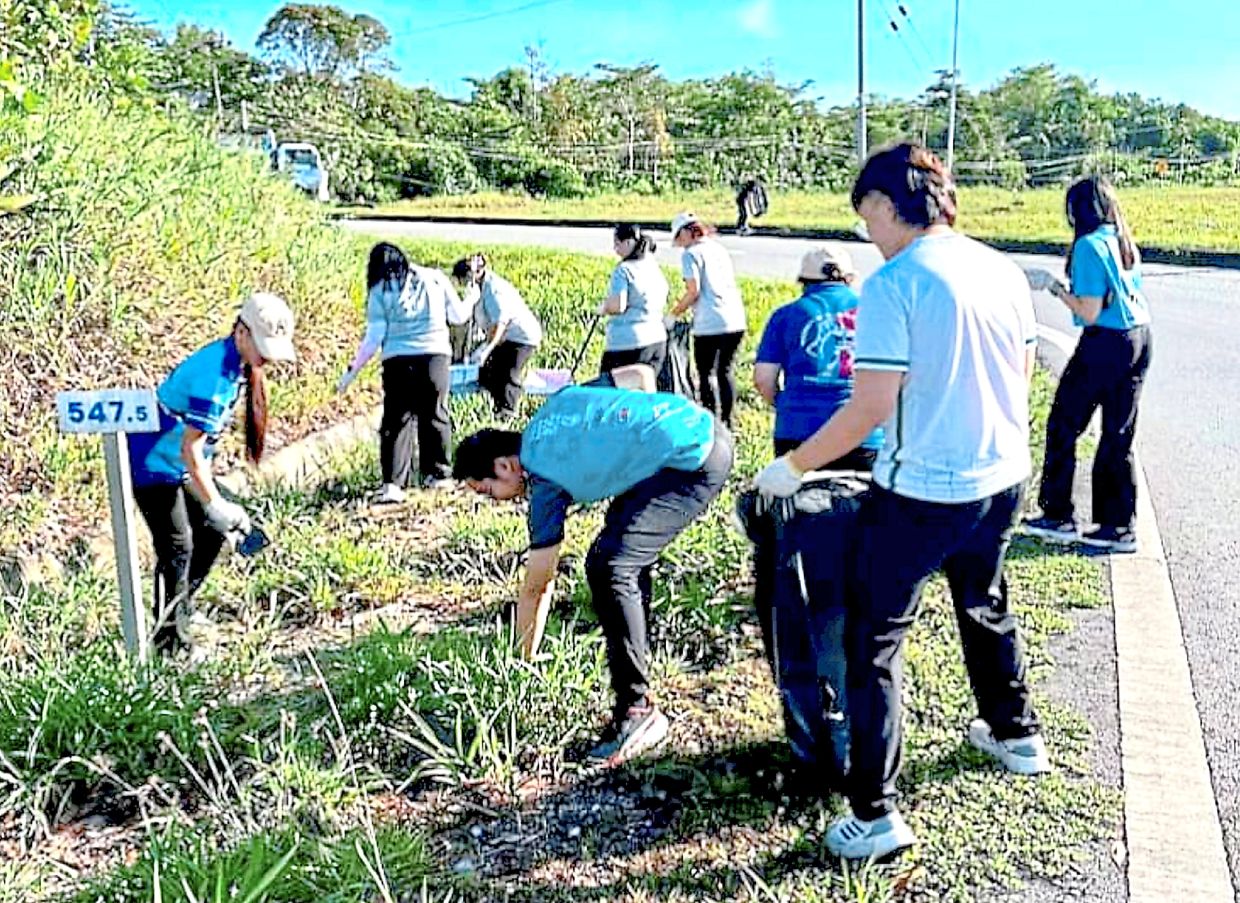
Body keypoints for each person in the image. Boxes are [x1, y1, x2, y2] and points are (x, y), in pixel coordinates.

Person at [754, 143, 1048, 860]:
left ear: (887, 206)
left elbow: (869, 409)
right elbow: (1024, 367)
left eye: (867, 220)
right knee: (983, 600)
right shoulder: (999, 266)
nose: (869, 236)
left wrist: (791, 466)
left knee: (875, 640)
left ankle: (876, 812)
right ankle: (1015, 733)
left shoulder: (896, 283)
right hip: (1003, 474)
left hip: (923, 490)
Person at [453, 383, 733, 766]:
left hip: (692, 460)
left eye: (488, 491)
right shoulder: (554, 409)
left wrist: (522, 663)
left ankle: (638, 712)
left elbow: (538, 585)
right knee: (620, 547)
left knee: (611, 565)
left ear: (505, 465)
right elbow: (622, 382)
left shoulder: (543, 482)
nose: (495, 500)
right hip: (698, 425)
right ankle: (640, 665)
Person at [129, 292, 296, 653]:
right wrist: (214, 502)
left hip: (179, 463)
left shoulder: (235, 366)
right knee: (177, 546)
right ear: (241, 332)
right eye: (263, 347)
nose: (266, 358)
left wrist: (217, 506)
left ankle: (179, 611)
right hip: (155, 462)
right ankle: (171, 645)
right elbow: (190, 448)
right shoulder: (215, 375)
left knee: (215, 530)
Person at [1023, 175, 1152, 553]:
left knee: (1063, 424)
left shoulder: (1088, 246)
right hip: (1141, 336)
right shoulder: (1123, 240)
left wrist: (1053, 287)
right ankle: (1119, 526)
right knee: (1118, 432)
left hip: (1106, 341)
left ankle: (1058, 514)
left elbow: (1090, 311)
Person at [337, 242, 471, 503]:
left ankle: (394, 485)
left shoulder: (379, 289)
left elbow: (374, 337)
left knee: (397, 421)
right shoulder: (435, 278)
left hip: (398, 361)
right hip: (436, 358)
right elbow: (458, 316)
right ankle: (439, 476)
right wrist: (473, 297)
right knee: (436, 414)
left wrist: (351, 372)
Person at [753, 245, 883, 468]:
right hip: (863, 433)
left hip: (798, 431)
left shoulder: (785, 316)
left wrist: (783, 403)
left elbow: (763, 378)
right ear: (849, 278)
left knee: (798, 499)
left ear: (803, 281)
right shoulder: (876, 313)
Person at [670, 213, 747, 429]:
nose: (679, 243)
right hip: (735, 318)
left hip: (710, 322)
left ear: (687, 232)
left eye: (679, 237)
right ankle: (728, 421)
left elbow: (693, 292)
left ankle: (711, 422)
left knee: (706, 374)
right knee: (725, 370)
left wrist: (673, 314)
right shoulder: (718, 249)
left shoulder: (690, 254)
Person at [452, 254, 543, 419]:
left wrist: (487, 349)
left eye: (464, 279)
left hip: (521, 337)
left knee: (507, 373)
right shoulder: (478, 289)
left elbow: (500, 324)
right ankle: (494, 408)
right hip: (503, 337)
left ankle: (508, 413)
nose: (463, 284)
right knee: (488, 372)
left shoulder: (493, 289)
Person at [597, 224, 669, 377]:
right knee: (645, 392)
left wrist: (603, 308)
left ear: (629, 242)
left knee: (613, 391)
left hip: (628, 343)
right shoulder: (652, 266)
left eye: (617, 243)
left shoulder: (624, 269)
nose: (615, 249)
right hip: (657, 339)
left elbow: (618, 306)